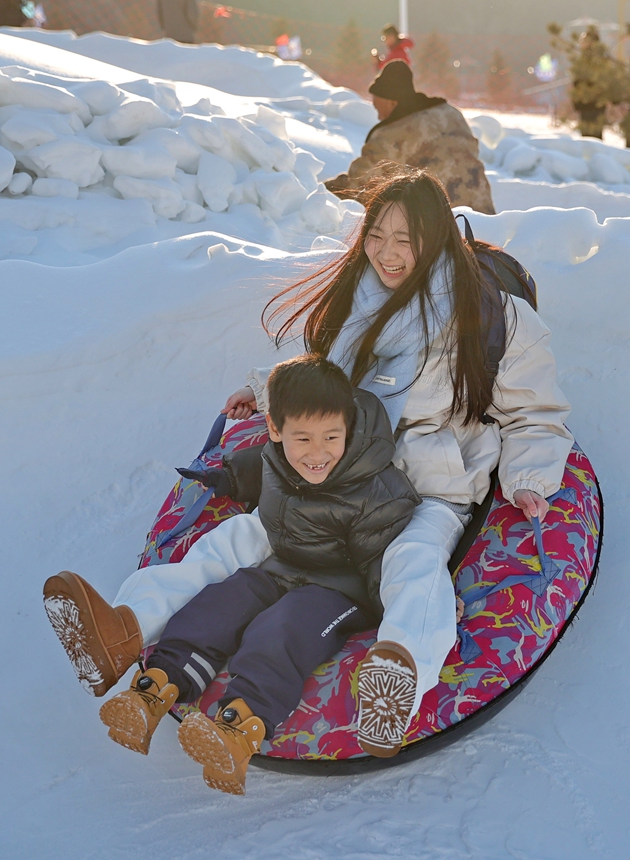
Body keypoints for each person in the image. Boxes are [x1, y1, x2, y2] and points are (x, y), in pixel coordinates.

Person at [44, 168, 572, 766]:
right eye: (377, 236)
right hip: (335, 469)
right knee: (236, 539)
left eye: (407, 240)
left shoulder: (492, 317)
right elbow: (318, 373)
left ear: (437, 240)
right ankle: (124, 629)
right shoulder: (359, 296)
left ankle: (396, 680)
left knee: (413, 562)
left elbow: (536, 415)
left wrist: (528, 479)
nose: (388, 255)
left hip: (426, 488)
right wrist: (262, 393)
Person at [47, 355, 421, 795]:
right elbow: (257, 470)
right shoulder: (278, 459)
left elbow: (383, 558)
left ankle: (240, 726)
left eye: (331, 438)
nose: (318, 454)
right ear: (277, 433)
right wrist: (224, 477)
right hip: (282, 567)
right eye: (302, 438)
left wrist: (395, 607)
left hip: (338, 591)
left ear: (348, 429)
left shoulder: (374, 487)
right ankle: (155, 689)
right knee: (220, 602)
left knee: (281, 628)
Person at [325, 60, 495, 215]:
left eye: (378, 108)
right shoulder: (452, 114)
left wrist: (324, 190)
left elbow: (358, 185)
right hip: (484, 215)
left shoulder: (393, 134)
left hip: (443, 223)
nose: (379, 118)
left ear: (392, 102)